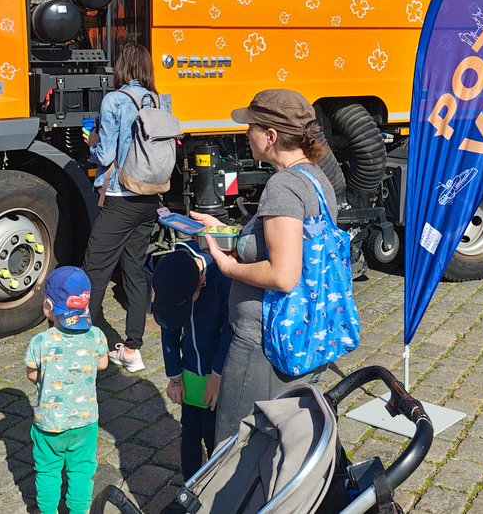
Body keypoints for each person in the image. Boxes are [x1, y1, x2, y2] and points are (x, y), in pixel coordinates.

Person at [192, 89, 340, 443]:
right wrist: (227, 234)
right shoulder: (316, 180)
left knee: (236, 444)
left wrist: (228, 268)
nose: (246, 134)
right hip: (304, 332)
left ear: (271, 136)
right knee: (283, 440)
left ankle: (232, 502)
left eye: (252, 127)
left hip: (265, 343)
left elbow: (283, 275)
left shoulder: (282, 187)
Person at [82, 42, 161, 373]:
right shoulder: (156, 99)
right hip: (149, 199)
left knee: (94, 270)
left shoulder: (114, 100)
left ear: (122, 67)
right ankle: (132, 348)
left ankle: (86, 344)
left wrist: (91, 140)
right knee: (134, 270)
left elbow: (106, 155)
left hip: (119, 197)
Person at [25, 266, 108, 514]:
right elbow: (102, 363)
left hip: (49, 423)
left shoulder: (41, 342)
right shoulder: (96, 335)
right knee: (82, 469)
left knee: (48, 470)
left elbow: (32, 374)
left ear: (49, 307)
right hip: (85, 421)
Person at [151, 242, 233, 479]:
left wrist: (217, 375)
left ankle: (215, 488)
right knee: (189, 436)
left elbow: (230, 330)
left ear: (200, 282)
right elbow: (169, 328)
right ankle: (190, 488)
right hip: (189, 378)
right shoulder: (170, 275)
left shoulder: (221, 278)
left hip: (216, 377)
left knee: (213, 435)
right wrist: (174, 377)